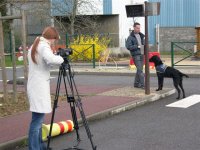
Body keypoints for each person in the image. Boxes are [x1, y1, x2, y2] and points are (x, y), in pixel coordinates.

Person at [27, 26, 64, 150]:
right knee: (37, 121)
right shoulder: (43, 46)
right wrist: (62, 58)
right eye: (55, 39)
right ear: (51, 38)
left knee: (37, 119)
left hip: (35, 86)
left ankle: (39, 146)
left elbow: (44, 62)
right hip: (38, 87)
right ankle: (34, 148)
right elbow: (51, 59)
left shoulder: (36, 45)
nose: (54, 42)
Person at [126, 22, 145, 89]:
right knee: (140, 70)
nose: (139, 29)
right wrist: (137, 46)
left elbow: (143, 45)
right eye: (137, 28)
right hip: (136, 56)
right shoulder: (130, 37)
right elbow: (128, 47)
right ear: (134, 28)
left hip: (142, 55)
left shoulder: (141, 36)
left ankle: (136, 84)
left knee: (139, 70)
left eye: (139, 28)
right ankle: (143, 85)